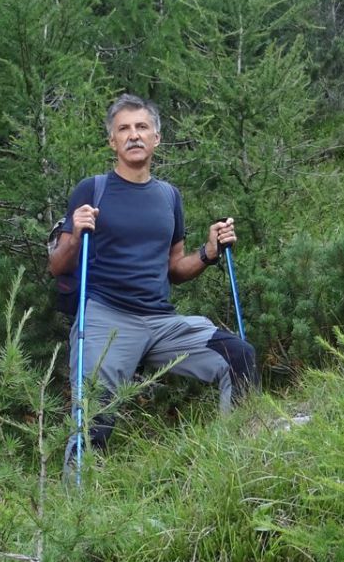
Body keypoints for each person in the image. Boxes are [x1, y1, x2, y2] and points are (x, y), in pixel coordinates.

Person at [49, 93, 257, 456]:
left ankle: (237, 459)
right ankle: (75, 504)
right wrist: (76, 234)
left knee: (238, 356)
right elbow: (58, 266)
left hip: (161, 322)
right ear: (112, 141)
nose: (134, 135)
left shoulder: (169, 196)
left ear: (156, 138)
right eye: (124, 129)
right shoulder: (92, 189)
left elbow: (174, 268)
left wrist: (209, 252)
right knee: (92, 419)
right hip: (105, 319)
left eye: (142, 127)